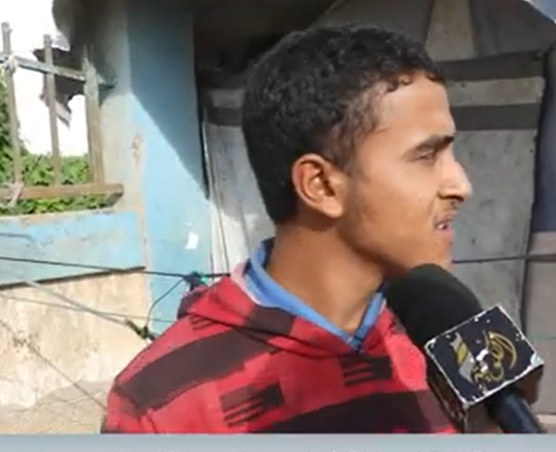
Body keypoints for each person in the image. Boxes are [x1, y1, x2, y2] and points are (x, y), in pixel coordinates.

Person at [101, 25, 473, 433]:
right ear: (322, 185)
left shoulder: (445, 334)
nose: (460, 185)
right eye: (426, 156)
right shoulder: (162, 407)